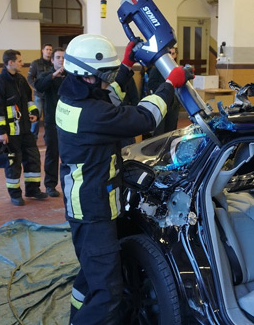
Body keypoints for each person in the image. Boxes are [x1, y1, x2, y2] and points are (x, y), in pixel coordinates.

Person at [57, 34, 191, 324]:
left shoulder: (70, 96)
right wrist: (170, 85)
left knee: (90, 276)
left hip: (83, 203)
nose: (107, 81)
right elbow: (146, 118)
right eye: (103, 75)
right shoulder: (92, 114)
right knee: (108, 293)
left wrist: (126, 66)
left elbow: (109, 95)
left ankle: (75, 317)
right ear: (86, 76)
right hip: (94, 211)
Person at [0, 49, 48, 206]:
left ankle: (33, 189)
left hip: (25, 130)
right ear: (10, 63)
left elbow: (28, 100)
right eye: (19, 61)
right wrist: (1, 132)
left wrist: (33, 111)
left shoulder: (20, 80)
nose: (22, 63)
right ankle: (15, 194)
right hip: (10, 132)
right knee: (13, 163)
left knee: (32, 158)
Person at [34, 47, 65, 197]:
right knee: (52, 154)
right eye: (58, 57)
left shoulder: (71, 75)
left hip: (69, 122)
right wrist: (53, 76)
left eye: (63, 57)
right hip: (52, 121)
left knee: (69, 154)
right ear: (52, 60)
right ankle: (50, 185)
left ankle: (67, 183)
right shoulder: (47, 75)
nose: (61, 60)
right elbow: (39, 86)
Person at [147, 46, 181, 137]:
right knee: (159, 132)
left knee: (171, 131)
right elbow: (151, 84)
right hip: (161, 102)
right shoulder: (157, 68)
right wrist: (166, 88)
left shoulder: (177, 68)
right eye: (169, 53)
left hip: (173, 103)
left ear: (176, 55)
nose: (171, 55)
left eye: (173, 53)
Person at [27, 43, 53, 140]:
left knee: (49, 117)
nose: (49, 51)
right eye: (47, 49)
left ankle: (48, 137)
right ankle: (33, 138)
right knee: (36, 117)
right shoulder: (36, 63)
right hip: (39, 95)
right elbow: (29, 77)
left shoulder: (53, 63)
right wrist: (36, 87)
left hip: (50, 95)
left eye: (50, 50)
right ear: (43, 50)